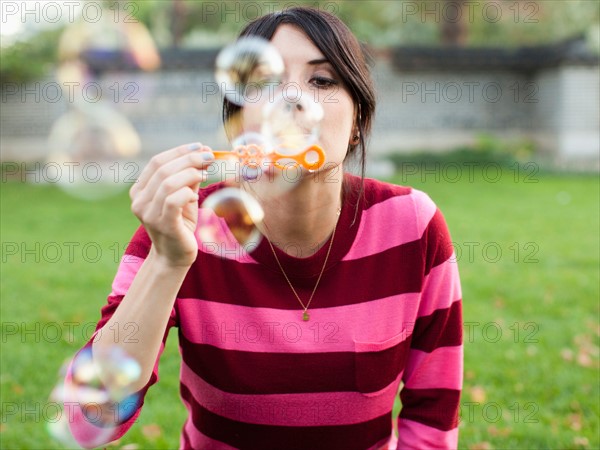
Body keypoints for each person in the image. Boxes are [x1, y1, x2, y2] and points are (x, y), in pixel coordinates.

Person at [66, 6, 463, 449]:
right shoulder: (179, 227)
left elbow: (432, 414)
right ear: (239, 125)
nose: (289, 99)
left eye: (323, 80)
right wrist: (167, 261)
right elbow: (89, 422)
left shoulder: (412, 225)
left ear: (357, 123)